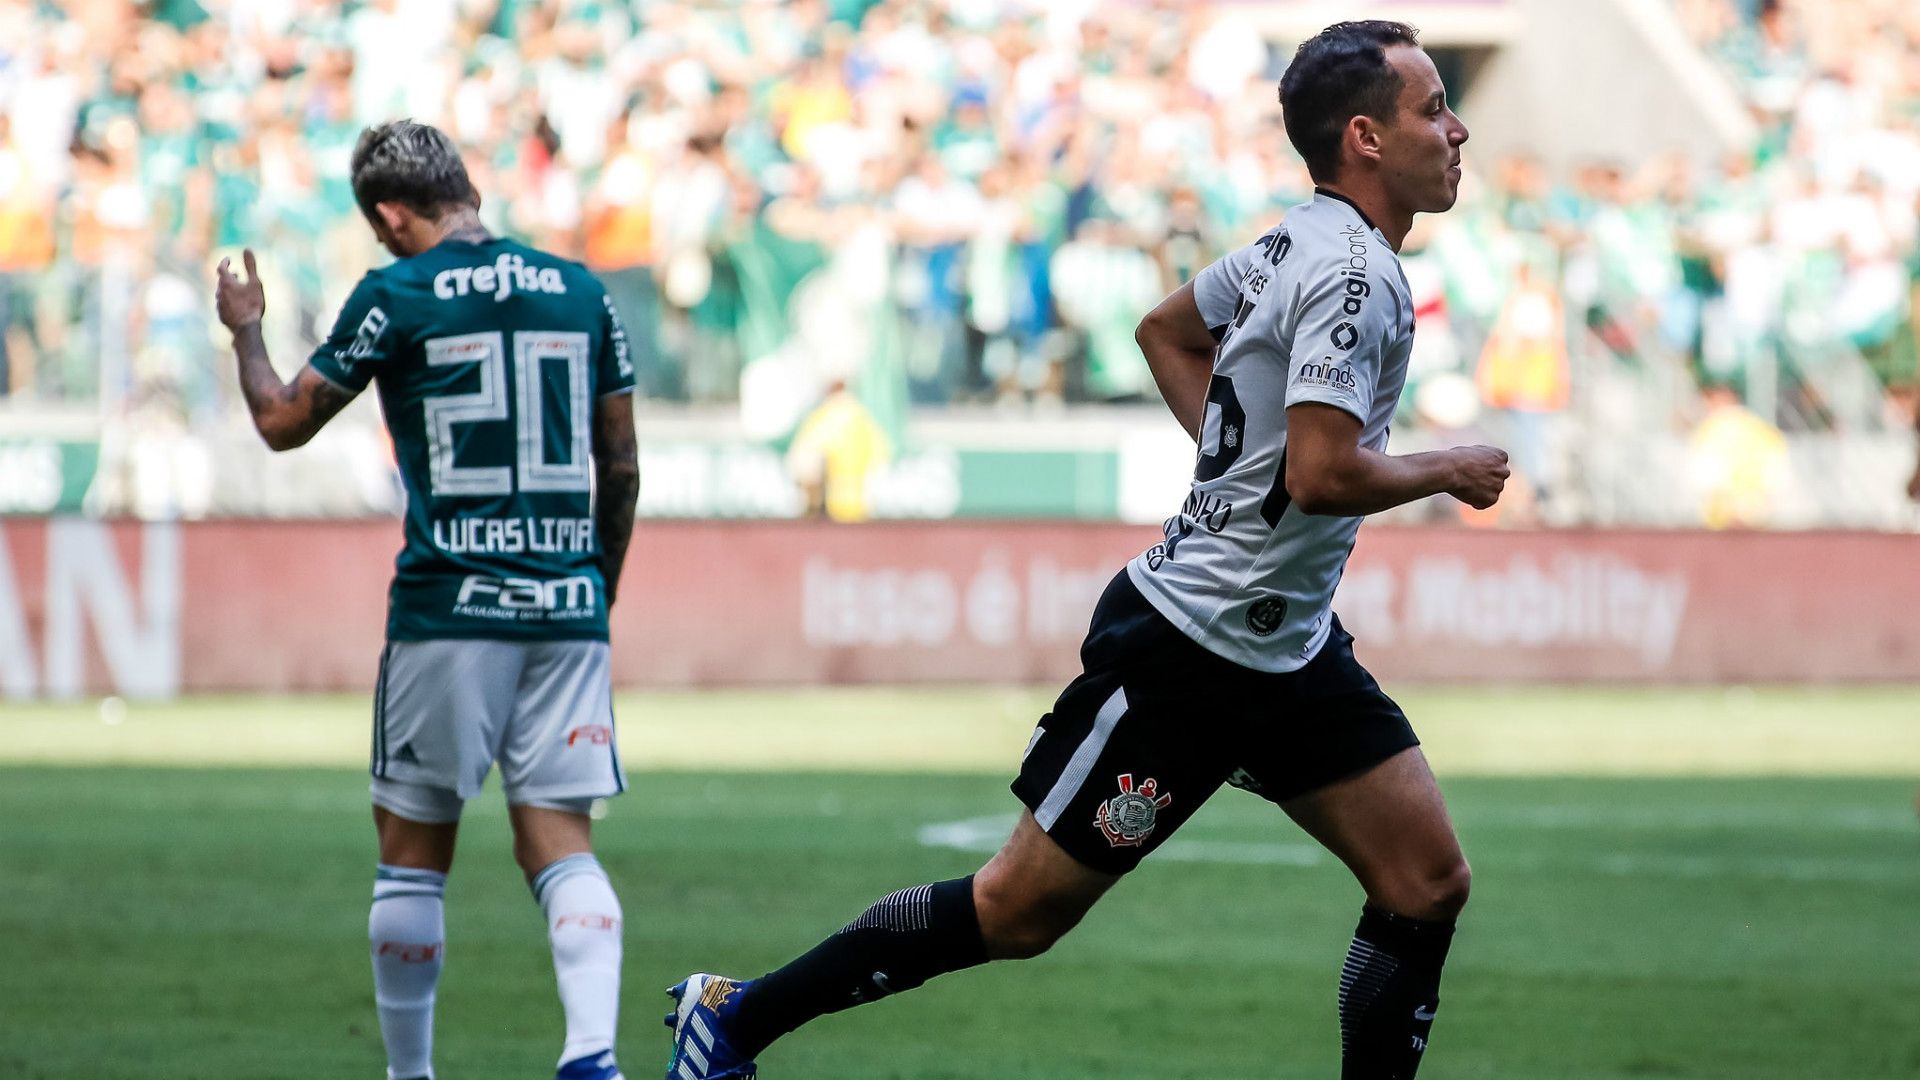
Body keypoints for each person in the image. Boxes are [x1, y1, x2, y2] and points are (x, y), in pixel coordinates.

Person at [663, 21, 1505, 1080]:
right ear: (1368, 138)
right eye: (1435, 108)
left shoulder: (1297, 242)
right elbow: (1321, 473)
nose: (1457, 126)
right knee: (1017, 912)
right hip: (1191, 655)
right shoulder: (1351, 276)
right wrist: (1447, 467)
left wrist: (1232, 476)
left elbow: (1170, 331)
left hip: (1285, 650)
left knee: (1426, 880)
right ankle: (736, 1019)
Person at [212, 120, 640, 1080]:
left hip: (451, 608)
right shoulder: (582, 290)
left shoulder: (398, 292)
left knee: (412, 855)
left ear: (392, 213)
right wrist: (592, 588)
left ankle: (411, 1077)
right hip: (567, 603)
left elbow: (283, 420)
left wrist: (246, 328)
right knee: (559, 842)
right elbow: (621, 461)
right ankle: (592, 1056)